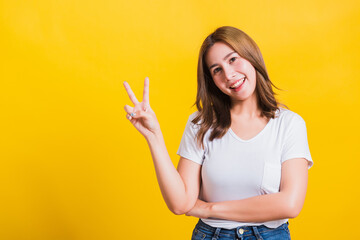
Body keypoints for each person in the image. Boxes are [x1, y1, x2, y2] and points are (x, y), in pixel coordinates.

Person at [123, 26, 313, 240]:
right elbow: (180, 203)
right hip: (211, 235)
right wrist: (154, 136)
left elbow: (290, 204)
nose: (229, 75)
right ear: (211, 79)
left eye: (232, 59)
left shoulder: (289, 124)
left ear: (251, 56)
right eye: (216, 70)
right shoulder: (201, 123)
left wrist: (208, 209)